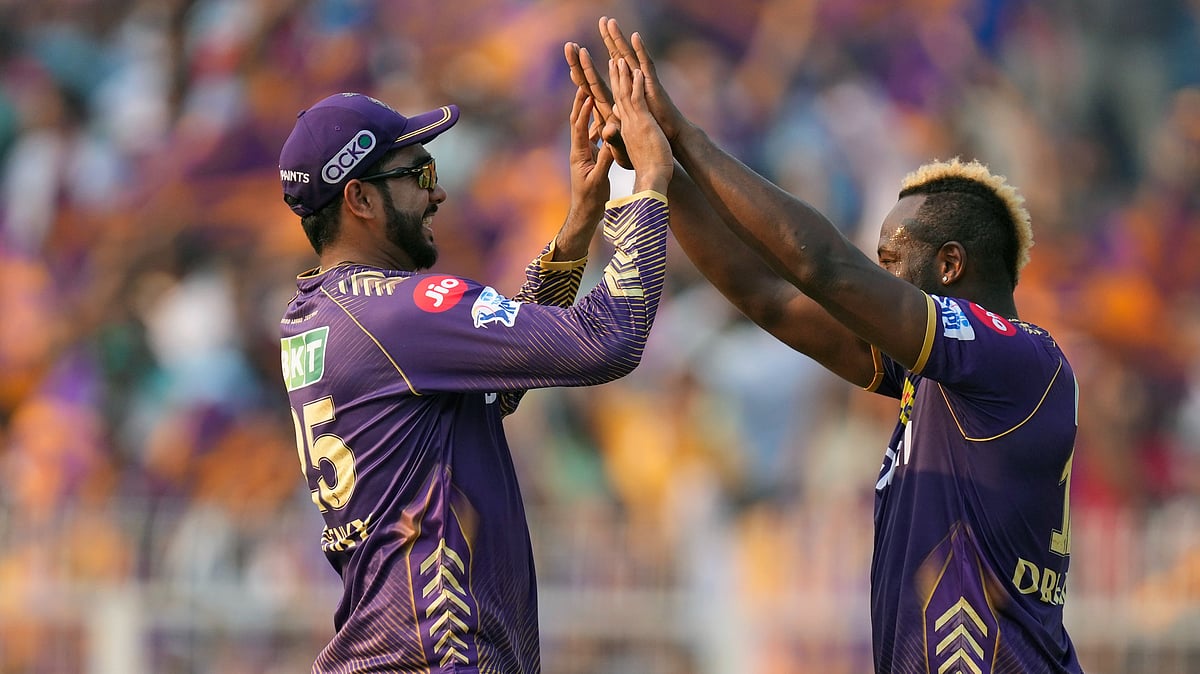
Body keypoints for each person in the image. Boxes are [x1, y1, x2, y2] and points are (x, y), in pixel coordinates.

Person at [564, 18, 1085, 674]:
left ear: (950, 265)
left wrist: (686, 139)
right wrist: (657, 172)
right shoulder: (939, 375)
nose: (879, 278)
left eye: (893, 260)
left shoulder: (1020, 359)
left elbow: (827, 271)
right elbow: (767, 295)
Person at [275, 71, 672, 673]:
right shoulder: (398, 313)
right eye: (418, 175)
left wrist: (576, 231)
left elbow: (498, 381)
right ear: (359, 200)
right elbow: (609, 340)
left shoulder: (321, 314)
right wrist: (645, 187)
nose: (437, 195)